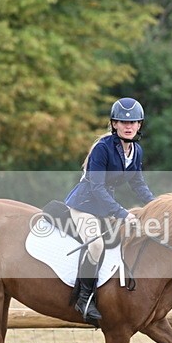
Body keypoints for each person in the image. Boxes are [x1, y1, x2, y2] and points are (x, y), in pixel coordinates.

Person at [64, 97, 156, 326]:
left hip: (104, 207)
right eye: (122, 122)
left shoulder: (136, 151)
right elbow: (97, 187)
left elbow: (138, 184)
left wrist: (158, 206)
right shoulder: (102, 148)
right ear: (114, 124)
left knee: (123, 242)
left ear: (139, 125)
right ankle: (84, 299)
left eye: (133, 122)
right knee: (96, 244)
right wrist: (122, 213)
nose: (128, 126)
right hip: (83, 206)